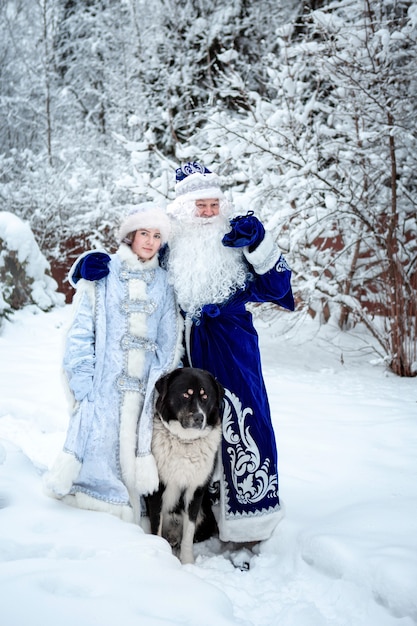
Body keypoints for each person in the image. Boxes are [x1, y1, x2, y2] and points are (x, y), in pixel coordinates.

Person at [165, 161, 294, 544]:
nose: (207, 213)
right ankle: (199, 519)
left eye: (213, 205)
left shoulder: (236, 239)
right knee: (190, 429)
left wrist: (258, 242)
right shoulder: (171, 245)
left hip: (232, 344)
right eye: (199, 206)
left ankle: (249, 526)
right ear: (184, 209)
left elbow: (276, 286)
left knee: (243, 421)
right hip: (185, 346)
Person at [43, 203, 182, 524]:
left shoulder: (164, 284)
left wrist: (155, 388)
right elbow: (81, 330)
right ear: (130, 236)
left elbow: (169, 340)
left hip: (142, 391)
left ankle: (128, 516)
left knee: (131, 454)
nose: (149, 241)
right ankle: (89, 511)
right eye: (143, 233)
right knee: (97, 448)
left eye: (157, 235)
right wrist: (83, 382)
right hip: (102, 385)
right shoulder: (105, 272)